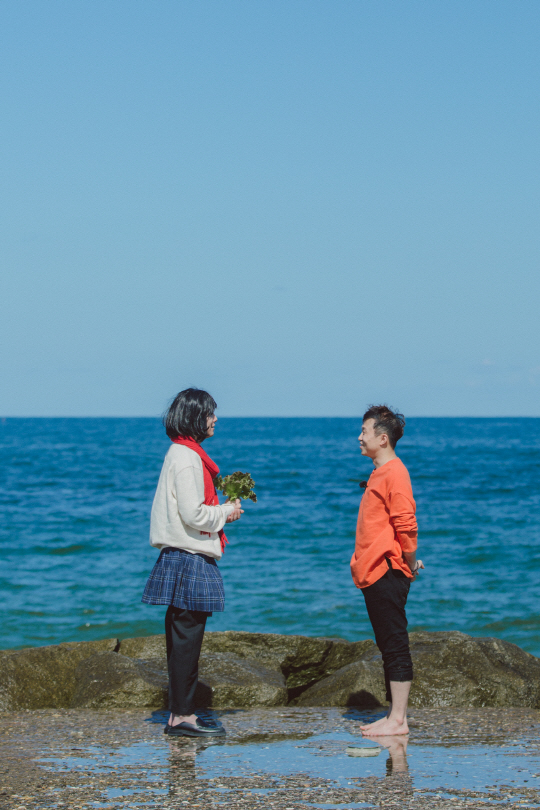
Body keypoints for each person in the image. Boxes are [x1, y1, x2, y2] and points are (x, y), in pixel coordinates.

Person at [142, 388, 243, 738]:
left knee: (182, 638)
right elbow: (193, 513)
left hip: (179, 557)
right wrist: (227, 511)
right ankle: (182, 716)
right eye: (210, 413)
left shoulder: (183, 453)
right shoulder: (186, 456)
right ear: (195, 417)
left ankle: (180, 712)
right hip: (188, 557)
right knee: (187, 639)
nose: (215, 419)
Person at [350, 405, 424, 736]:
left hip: (385, 572)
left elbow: (406, 523)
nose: (359, 437)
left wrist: (408, 562)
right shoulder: (381, 473)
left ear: (382, 438)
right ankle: (393, 715)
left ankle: (398, 720)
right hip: (375, 570)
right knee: (386, 643)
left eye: (364, 432)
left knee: (394, 643)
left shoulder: (395, 472)